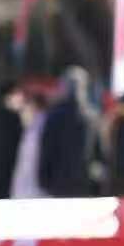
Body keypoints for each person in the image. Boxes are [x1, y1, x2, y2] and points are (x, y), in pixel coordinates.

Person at [36, 66, 106, 197]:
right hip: (85, 186)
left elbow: (46, 151)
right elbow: (100, 156)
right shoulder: (92, 117)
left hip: (59, 186)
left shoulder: (54, 116)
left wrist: (44, 180)